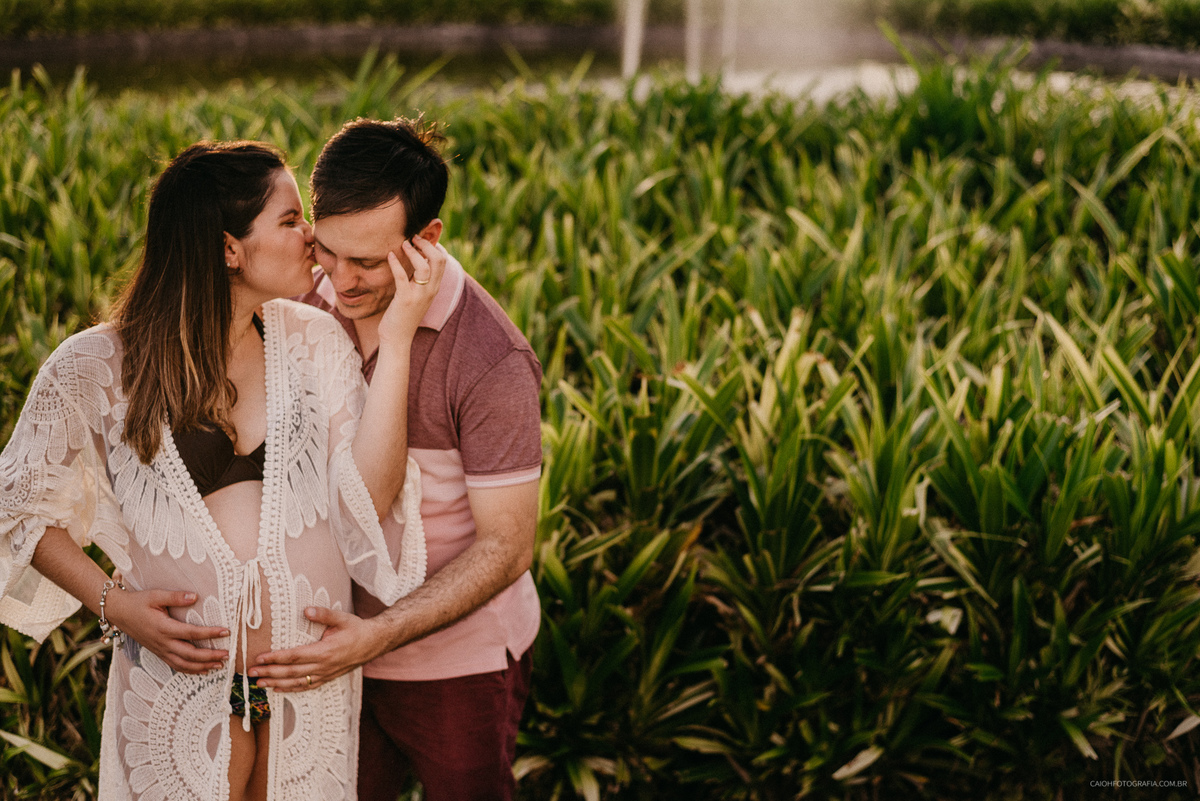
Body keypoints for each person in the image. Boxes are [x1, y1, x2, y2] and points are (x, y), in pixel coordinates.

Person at [0, 140, 445, 801]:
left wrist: (400, 333)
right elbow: (17, 503)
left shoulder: (313, 341)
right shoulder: (95, 365)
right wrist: (114, 604)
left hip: (308, 695)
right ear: (229, 248)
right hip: (175, 696)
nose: (312, 237)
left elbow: (371, 497)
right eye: (292, 220)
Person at [251, 117, 543, 801]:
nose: (340, 282)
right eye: (328, 250)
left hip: (455, 669)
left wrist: (375, 635)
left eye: (368, 262)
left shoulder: (491, 357)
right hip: (326, 659)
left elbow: (508, 544)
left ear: (427, 239)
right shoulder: (300, 300)